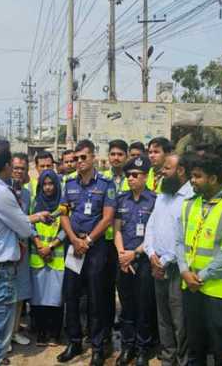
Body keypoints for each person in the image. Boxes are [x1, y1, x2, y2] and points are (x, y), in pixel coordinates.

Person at [0, 140, 50, 366]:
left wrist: (32, 217)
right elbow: (24, 229)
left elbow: (4, 220)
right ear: (6, 165)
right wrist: (31, 220)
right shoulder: (0, 193)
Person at [177, 153, 222, 366]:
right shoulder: (188, 205)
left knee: (221, 350)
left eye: (197, 176)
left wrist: (201, 276)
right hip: (190, 287)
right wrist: (184, 271)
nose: (192, 181)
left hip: (219, 292)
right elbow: (179, 242)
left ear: (213, 179)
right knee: (195, 347)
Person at [57, 139, 116, 366]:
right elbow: (63, 213)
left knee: (96, 297)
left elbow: (108, 217)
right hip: (74, 246)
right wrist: (73, 239)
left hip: (96, 248)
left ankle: (98, 346)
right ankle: (74, 341)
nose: (79, 162)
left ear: (92, 157)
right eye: (77, 158)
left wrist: (88, 240)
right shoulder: (69, 184)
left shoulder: (105, 184)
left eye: (83, 157)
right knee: (71, 295)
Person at [143, 153, 194, 366]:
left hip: (176, 268)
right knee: (163, 317)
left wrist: (163, 261)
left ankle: (183, 360)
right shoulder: (162, 194)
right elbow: (151, 226)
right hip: (157, 264)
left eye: (167, 168)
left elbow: (184, 238)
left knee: (179, 319)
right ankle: (168, 356)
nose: (162, 171)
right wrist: (151, 253)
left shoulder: (191, 198)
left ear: (180, 171)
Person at [114, 155, 157, 366]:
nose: (130, 179)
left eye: (135, 175)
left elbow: (154, 235)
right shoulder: (122, 199)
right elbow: (117, 230)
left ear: (145, 176)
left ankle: (142, 349)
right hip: (124, 261)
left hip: (143, 262)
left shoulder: (155, 200)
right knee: (126, 306)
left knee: (143, 307)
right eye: (128, 175)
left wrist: (135, 253)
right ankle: (127, 346)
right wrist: (123, 254)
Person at [30, 170, 66, 347]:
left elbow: (67, 229)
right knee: (38, 298)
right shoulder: (34, 202)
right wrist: (39, 246)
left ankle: (55, 334)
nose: (48, 187)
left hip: (56, 258)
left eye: (51, 183)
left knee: (56, 299)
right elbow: (29, 225)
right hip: (38, 257)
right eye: (44, 184)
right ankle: (41, 333)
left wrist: (51, 247)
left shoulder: (63, 205)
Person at [102, 139, 130, 338]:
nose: (116, 158)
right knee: (105, 286)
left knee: (125, 287)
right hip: (104, 241)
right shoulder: (102, 179)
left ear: (126, 157)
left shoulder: (134, 178)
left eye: (120, 154)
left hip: (125, 242)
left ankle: (126, 322)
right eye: (113, 154)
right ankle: (107, 321)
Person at [9, 152, 33, 347]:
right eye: (16, 168)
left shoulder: (26, 194)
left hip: (23, 249)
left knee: (19, 294)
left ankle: (15, 331)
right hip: (6, 250)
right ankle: (3, 338)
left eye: (22, 169)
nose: (18, 172)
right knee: (5, 296)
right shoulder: (1, 191)